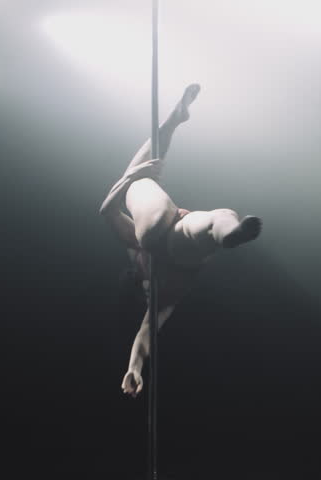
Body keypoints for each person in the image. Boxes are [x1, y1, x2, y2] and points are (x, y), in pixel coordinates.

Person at [99, 84, 262, 398]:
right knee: (141, 179)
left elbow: (145, 335)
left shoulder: (162, 296)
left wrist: (134, 367)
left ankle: (229, 233)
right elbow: (106, 209)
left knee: (218, 216)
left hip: (177, 244)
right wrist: (132, 178)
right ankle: (173, 122)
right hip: (165, 229)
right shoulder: (137, 256)